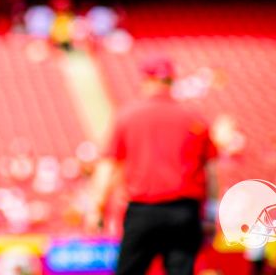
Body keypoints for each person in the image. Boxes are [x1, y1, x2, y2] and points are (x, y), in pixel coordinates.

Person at [87, 56, 217, 275]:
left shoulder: (128, 116)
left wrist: (97, 208)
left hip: (143, 211)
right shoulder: (194, 118)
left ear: (146, 81)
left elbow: (108, 166)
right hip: (184, 212)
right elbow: (210, 171)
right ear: (172, 81)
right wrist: (211, 214)